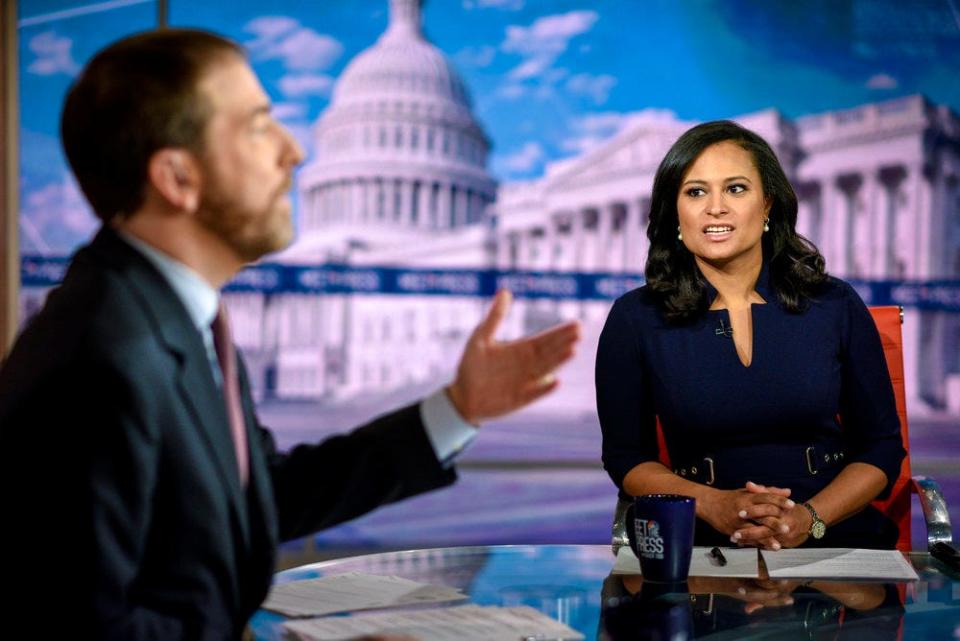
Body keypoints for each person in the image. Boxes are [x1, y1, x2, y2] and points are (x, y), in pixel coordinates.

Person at [0, 29, 579, 640]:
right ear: (177, 177)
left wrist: (459, 409)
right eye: (257, 126)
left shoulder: (170, 321)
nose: (294, 153)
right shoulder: (99, 363)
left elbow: (255, 497)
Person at [596, 120, 905, 551]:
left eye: (736, 189)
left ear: (767, 206)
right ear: (676, 214)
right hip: (699, 537)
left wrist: (808, 519)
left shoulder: (834, 304)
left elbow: (882, 448)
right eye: (695, 191)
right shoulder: (635, 318)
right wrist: (714, 505)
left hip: (832, 534)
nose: (715, 208)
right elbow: (627, 458)